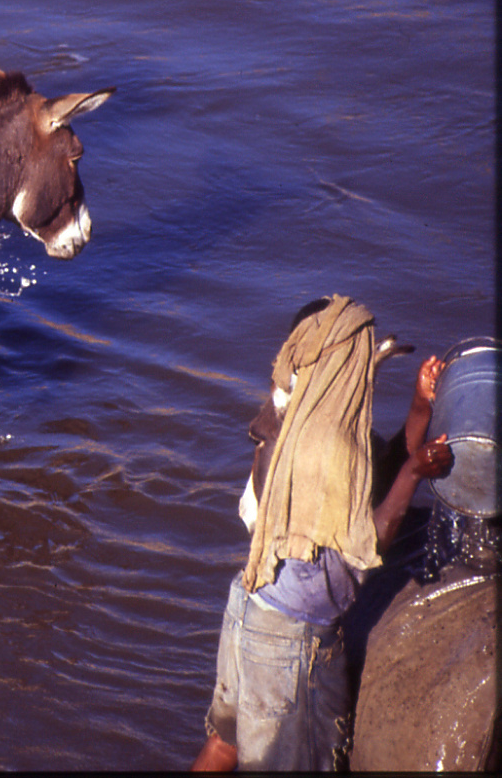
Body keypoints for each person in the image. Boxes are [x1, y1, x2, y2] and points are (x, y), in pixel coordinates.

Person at [191, 295, 454, 772]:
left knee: (227, 744)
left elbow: (387, 465)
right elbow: (367, 545)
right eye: (363, 362)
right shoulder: (332, 448)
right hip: (290, 645)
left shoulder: (290, 421)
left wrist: (419, 405)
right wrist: (415, 475)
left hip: (247, 612)